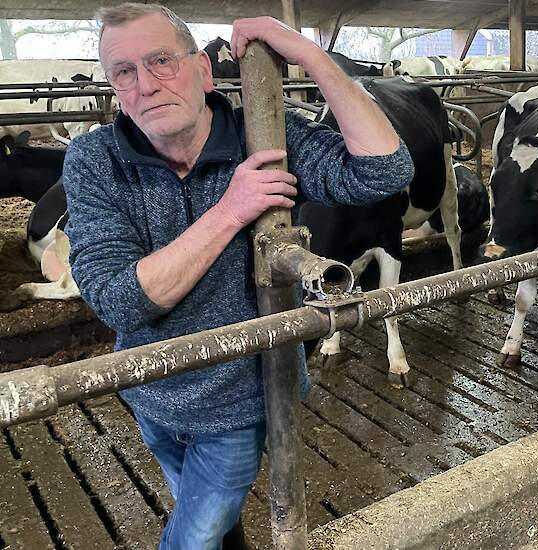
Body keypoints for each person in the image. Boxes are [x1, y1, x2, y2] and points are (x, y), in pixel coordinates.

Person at [63, 4, 414, 549]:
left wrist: (309, 55)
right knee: (216, 527)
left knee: (193, 539)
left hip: (240, 398)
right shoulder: (94, 159)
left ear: (204, 70)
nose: (146, 86)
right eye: (124, 72)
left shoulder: (265, 134)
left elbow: (385, 170)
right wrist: (231, 210)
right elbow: (119, 300)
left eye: (161, 61)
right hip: (151, 390)